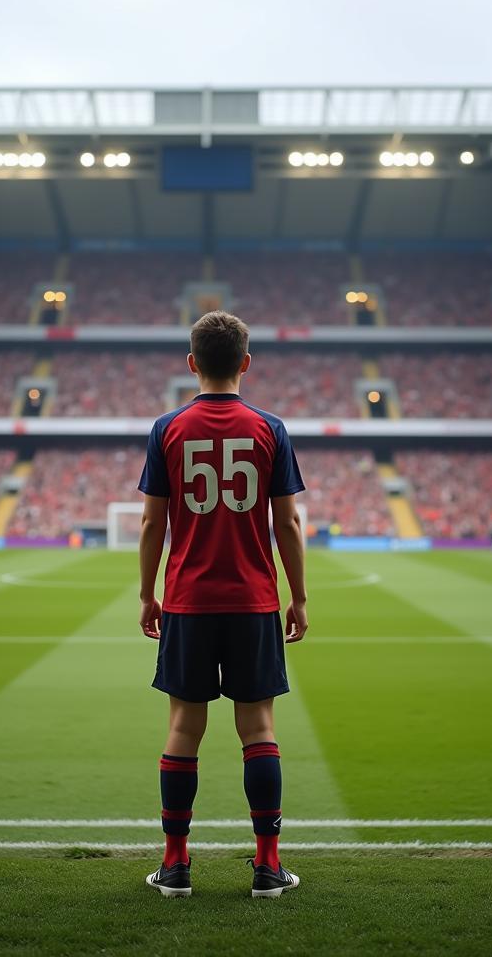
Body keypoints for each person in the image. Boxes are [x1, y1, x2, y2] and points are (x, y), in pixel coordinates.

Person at [137, 310, 308, 899]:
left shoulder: (167, 428)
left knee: (184, 728)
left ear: (191, 364)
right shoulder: (270, 428)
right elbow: (286, 521)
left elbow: (151, 523)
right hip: (254, 597)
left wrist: (146, 594)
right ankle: (266, 867)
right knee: (257, 727)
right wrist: (299, 596)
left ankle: (177, 866)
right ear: (245, 363)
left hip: (187, 599)